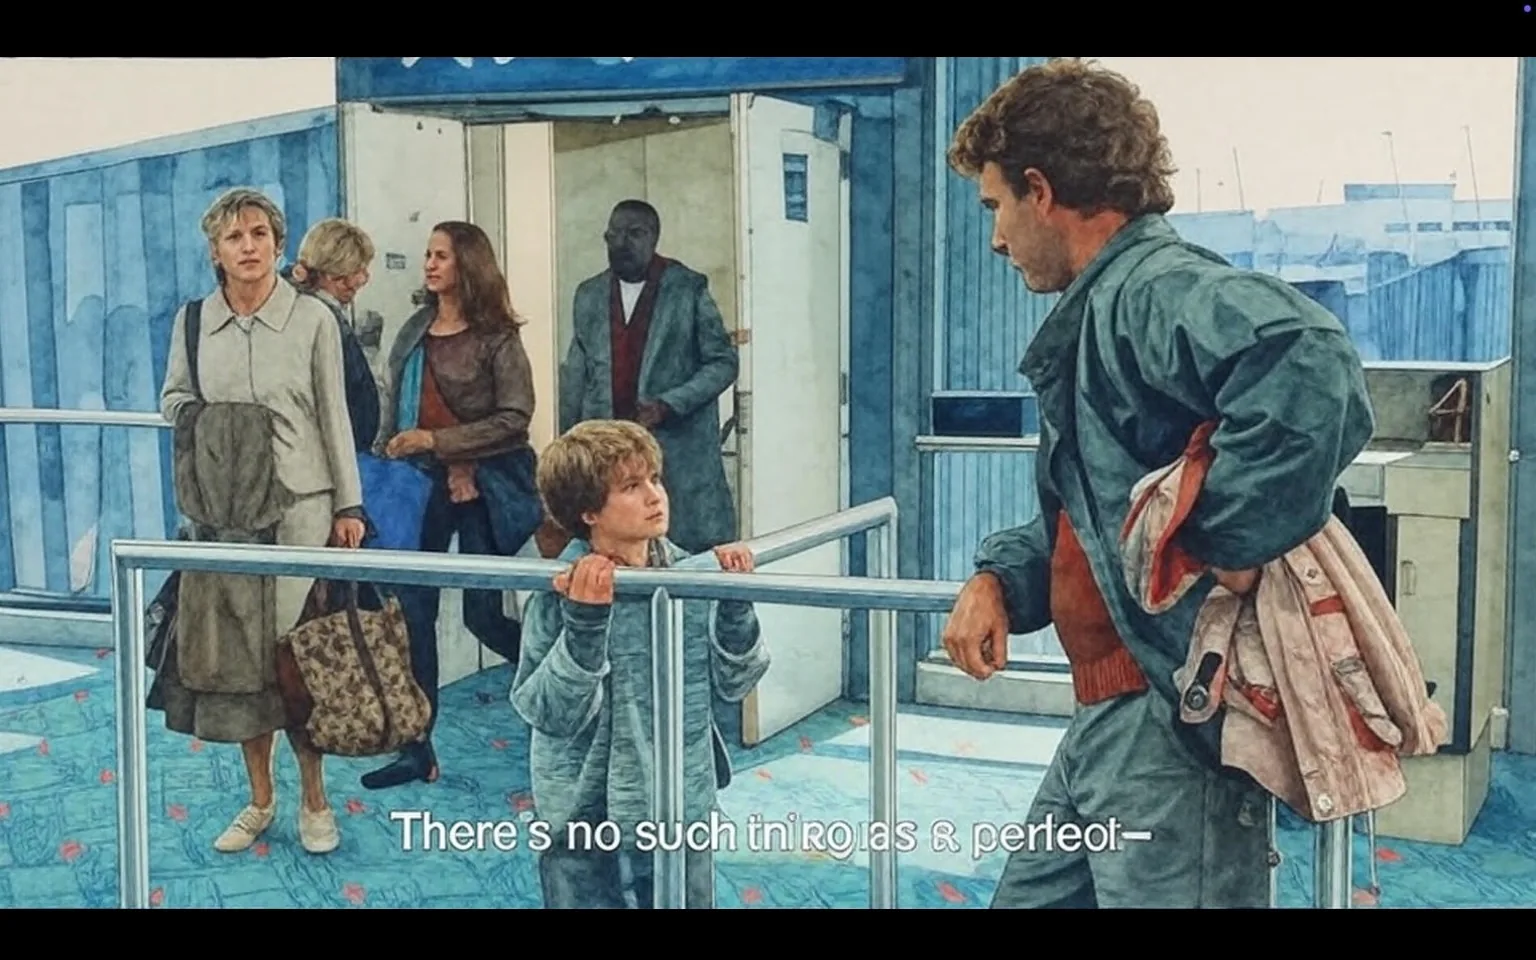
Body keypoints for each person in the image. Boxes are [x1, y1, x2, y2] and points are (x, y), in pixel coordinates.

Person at [938, 59, 1376, 909]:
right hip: (1111, 716)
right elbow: (1105, 514)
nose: (994, 238)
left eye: (996, 207)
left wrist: (1216, 540)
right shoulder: (1108, 307)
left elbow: (1312, 369)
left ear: (1042, 189)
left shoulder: (1147, 289)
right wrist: (1002, 576)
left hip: (1167, 722)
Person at [156, 187, 367, 856]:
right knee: (241, 666)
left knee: (293, 662)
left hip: (302, 509)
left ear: (279, 245)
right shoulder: (192, 322)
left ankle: (315, 799)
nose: (248, 246)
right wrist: (210, 427)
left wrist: (348, 505)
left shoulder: (312, 320)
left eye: (259, 234)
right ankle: (259, 799)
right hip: (226, 520)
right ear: (215, 251)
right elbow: (173, 400)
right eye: (234, 237)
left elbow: (335, 415)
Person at [511, 419, 770, 909]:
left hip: (678, 795)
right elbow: (549, 712)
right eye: (632, 486)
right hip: (583, 808)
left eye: (656, 479)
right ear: (588, 511)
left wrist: (737, 602)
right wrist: (585, 627)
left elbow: (736, 682)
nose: (656, 496)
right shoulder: (555, 596)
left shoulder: (691, 577)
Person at [366, 220, 543, 790]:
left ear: (468, 264)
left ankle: (559, 690)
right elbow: (397, 401)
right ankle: (418, 746)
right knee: (414, 613)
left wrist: (442, 445)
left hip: (483, 488)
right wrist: (394, 448)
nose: (430, 264)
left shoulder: (497, 336)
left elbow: (515, 418)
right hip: (421, 488)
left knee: (482, 615)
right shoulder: (417, 326)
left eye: (442, 255)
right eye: (428, 253)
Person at [556, 199, 739, 556]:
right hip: (610, 464)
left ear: (654, 237)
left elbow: (723, 363)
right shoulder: (589, 295)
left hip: (679, 458)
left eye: (634, 234)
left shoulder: (688, 289)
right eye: (614, 235)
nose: (622, 243)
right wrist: (569, 445)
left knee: (691, 559)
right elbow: (575, 377)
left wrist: (669, 404)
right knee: (613, 560)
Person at [282, 218, 381, 453]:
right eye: (358, 269)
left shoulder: (287, 307)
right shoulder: (326, 319)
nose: (364, 279)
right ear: (333, 274)